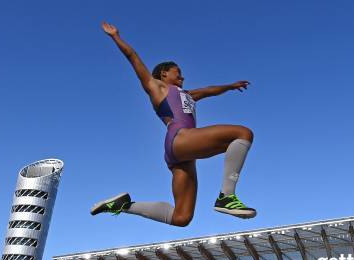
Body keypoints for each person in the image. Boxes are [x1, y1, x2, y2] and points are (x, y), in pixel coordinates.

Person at [91, 22, 256, 226]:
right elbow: (133, 57)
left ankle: (123, 205)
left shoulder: (187, 94)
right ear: (164, 74)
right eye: (178, 72)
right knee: (242, 133)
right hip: (180, 138)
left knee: (181, 217)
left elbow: (209, 89)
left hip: (183, 156)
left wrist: (230, 86)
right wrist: (116, 36)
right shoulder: (156, 87)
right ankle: (227, 196)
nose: (183, 76)